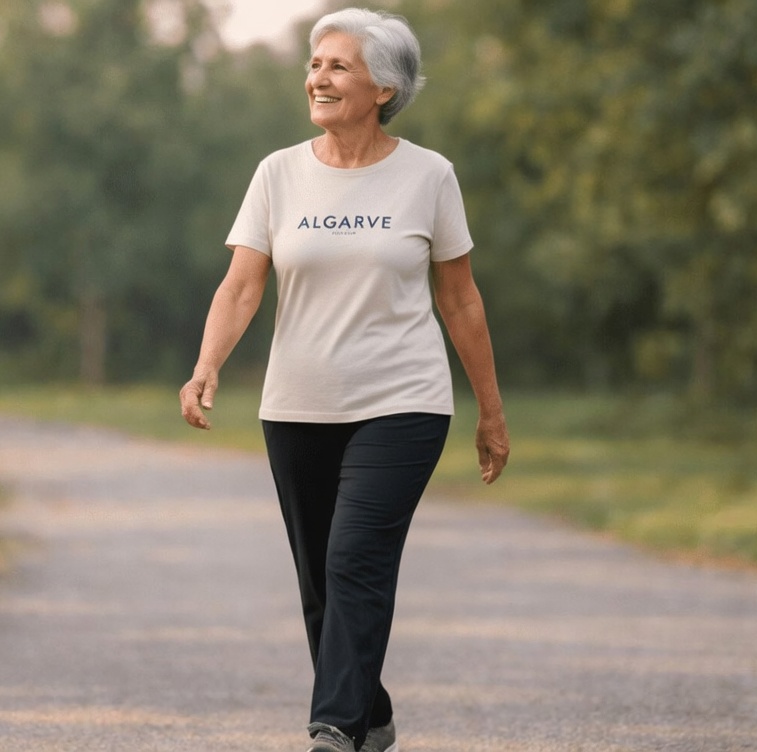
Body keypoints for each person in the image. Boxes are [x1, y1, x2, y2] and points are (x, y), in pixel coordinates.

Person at [179, 8, 509, 751]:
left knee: (355, 558)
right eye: (314, 64)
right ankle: (374, 712)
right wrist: (206, 367)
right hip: (297, 403)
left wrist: (489, 411)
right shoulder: (278, 173)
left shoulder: (429, 176)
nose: (317, 78)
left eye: (337, 66)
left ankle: (333, 727)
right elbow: (240, 286)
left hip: (404, 402)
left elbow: (459, 298)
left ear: (384, 88)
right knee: (321, 581)